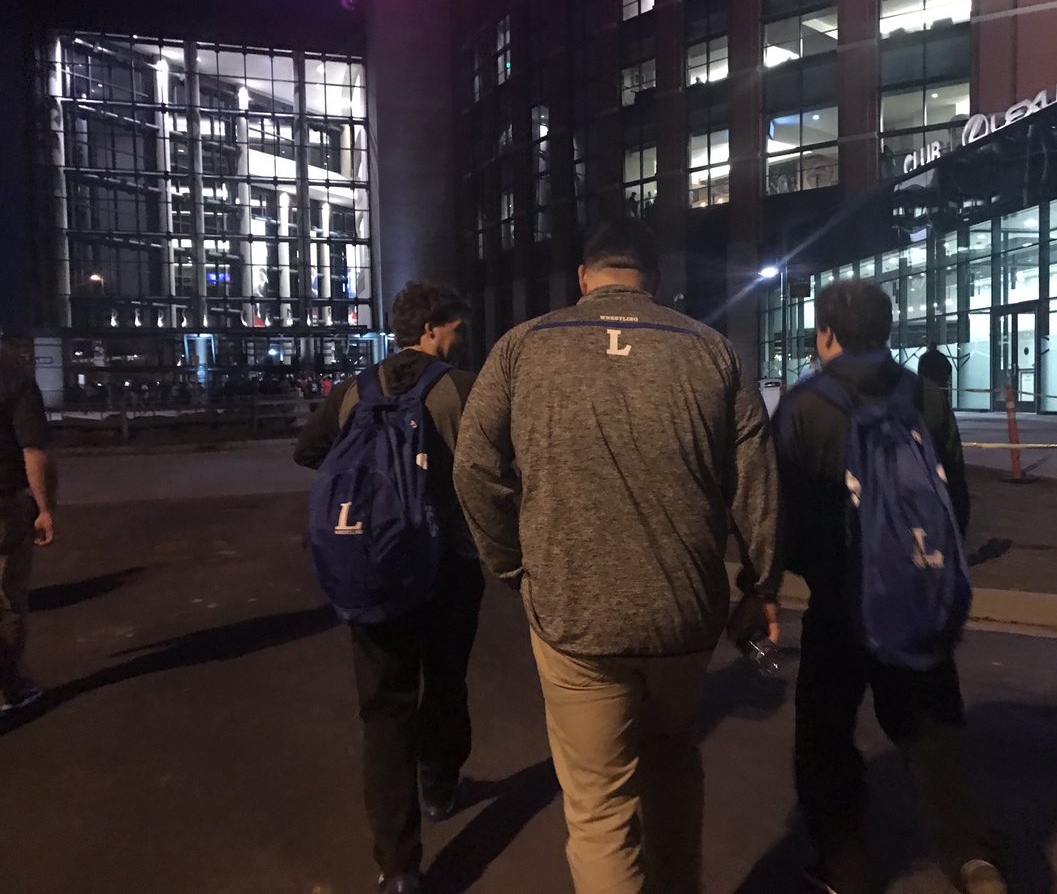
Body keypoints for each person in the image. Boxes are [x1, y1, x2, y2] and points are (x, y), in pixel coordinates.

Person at [453, 218, 781, 894]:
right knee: (673, 765)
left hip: (575, 614)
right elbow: (757, 482)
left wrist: (512, 565)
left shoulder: (522, 347)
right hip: (685, 614)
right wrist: (760, 584)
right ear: (654, 282)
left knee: (600, 811)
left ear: (584, 277)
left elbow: (472, 469)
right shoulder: (714, 350)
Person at [772, 281, 1005, 894]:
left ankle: (844, 863)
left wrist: (775, 581)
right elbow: (954, 499)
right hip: (915, 594)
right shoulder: (924, 395)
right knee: (933, 734)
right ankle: (970, 859)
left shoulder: (801, 406)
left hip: (840, 604)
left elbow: (780, 518)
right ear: (888, 331)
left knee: (825, 737)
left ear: (825, 334)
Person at [294, 281, 484, 894]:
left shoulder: (355, 388)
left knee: (384, 711)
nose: (459, 339)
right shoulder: (459, 387)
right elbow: (493, 467)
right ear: (432, 329)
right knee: (446, 680)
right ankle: (439, 785)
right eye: (455, 328)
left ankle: (398, 866)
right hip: (449, 566)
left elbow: (309, 450)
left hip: (373, 563)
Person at [0, 337, 56, 718]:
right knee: (6, 596)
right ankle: (10, 687)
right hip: (4, 501)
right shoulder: (12, 375)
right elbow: (33, 449)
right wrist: (45, 508)